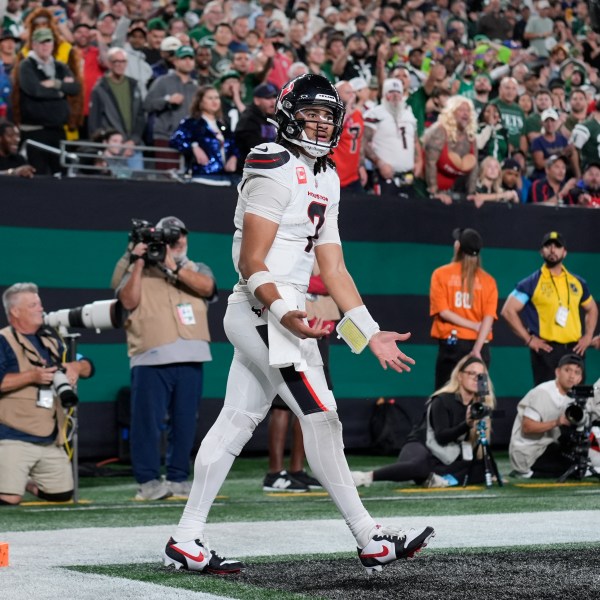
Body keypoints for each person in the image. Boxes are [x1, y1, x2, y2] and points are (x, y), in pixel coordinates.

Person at [164, 73, 434, 576]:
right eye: (309, 114)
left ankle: (186, 538)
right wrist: (285, 313)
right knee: (322, 418)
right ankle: (369, 536)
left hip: (283, 314)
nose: (318, 124)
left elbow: (333, 268)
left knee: (236, 422)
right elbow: (251, 260)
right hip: (263, 309)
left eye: (327, 116)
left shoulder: (328, 176)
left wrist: (367, 330)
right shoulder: (271, 162)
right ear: (288, 115)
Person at [116, 216, 218, 501]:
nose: (176, 243)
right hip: (150, 355)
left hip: (192, 353)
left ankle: (177, 477)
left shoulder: (196, 267)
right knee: (147, 422)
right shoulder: (138, 266)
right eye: (169, 239)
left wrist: (174, 266)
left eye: (180, 237)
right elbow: (127, 300)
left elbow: (207, 287)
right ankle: (148, 481)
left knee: (185, 420)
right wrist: (138, 259)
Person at [0, 283, 94, 505]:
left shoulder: (51, 341)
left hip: (50, 439)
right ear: (15, 311)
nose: (40, 309)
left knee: (60, 496)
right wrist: (32, 376)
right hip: (13, 435)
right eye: (33, 305)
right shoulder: (3, 340)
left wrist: (75, 368)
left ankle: (22, 480)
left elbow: (89, 366)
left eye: (40, 303)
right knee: (8, 499)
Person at [351, 356, 494, 488]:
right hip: (421, 446)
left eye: (480, 376)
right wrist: (467, 424)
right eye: (471, 373)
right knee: (419, 466)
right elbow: (441, 437)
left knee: (481, 468)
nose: (476, 379)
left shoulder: (480, 406)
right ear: (460, 375)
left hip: (446, 455)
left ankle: (433, 478)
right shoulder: (442, 399)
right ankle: (366, 477)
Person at [501, 231, 598, 386]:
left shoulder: (577, 282)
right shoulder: (531, 283)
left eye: (557, 246)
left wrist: (588, 336)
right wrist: (528, 339)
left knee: (576, 403)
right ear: (541, 252)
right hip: (547, 351)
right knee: (547, 402)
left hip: (575, 350)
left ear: (564, 252)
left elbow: (591, 308)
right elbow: (508, 310)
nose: (553, 250)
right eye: (548, 246)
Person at [429, 227, 498, 390]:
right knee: (481, 397)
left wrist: (472, 327)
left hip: (452, 348)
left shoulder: (440, 274)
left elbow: (444, 312)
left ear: (458, 247)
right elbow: (488, 319)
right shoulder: (489, 281)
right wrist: (477, 350)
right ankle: (481, 417)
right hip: (482, 349)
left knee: (444, 394)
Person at [509, 353, 589, 479]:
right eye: (567, 370)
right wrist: (557, 422)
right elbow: (527, 427)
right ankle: (527, 473)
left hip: (546, 446)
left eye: (577, 372)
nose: (572, 376)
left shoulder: (572, 398)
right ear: (557, 372)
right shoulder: (542, 392)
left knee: (579, 461)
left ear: (580, 379)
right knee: (572, 469)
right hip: (529, 453)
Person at [16, 27, 81, 174]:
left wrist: (56, 84)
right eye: (41, 42)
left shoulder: (60, 66)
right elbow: (35, 90)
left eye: (48, 42)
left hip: (58, 129)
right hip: (35, 131)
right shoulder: (26, 66)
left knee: (60, 174)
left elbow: (75, 88)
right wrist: (61, 91)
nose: (45, 46)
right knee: (38, 175)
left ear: (53, 44)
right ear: (34, 45)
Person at [88, 47, 146, 171]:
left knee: (138, 186)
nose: (120, 65)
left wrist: (133, 141)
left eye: (123, 61)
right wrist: (104, 147)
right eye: (116, 62)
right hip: (112, 149)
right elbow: (94, 122)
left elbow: (140, 116)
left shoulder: (134, 85)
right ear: (109, 63)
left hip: (133, 147)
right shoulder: (100, 88)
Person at [169, 85, 238, 185]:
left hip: (225, 179)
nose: (214, 101)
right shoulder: (191, 122)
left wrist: (234, 156)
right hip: (202, 178)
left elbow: (234, 144)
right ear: (200, 101)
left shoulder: (223, 125)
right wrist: (194, 146)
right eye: (210, 98)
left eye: (217, 98)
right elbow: (175, 139)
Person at [364, 78, 422, 196]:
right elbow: (363, 142)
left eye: (398, 93)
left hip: (407, 176)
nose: (395, 96)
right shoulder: (375, 113)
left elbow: (415, 141)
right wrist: (380, 163)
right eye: (391, 92)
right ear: (385, 95)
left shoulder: (409, 114)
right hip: (385, 176)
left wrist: (419, 160)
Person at [144, 45, 198, 169]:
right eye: (184, 58)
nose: (188, 61)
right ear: (175, 61)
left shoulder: (196, 87)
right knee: (166, 178)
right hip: (165, 137)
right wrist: (167, 100)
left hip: (188, 139)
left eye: (191, 58)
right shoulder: (162, 81)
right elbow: (147, 105)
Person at [422, 95, 478, 203]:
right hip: (427, 187)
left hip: (452, 189)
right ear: (451, 112)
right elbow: (430, 163)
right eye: (461, 110)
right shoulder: (440, 131)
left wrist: (472, 193)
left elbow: (474, 168)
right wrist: (434, 192)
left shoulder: (471, 137)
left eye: (468, 110)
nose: (465, 113)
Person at [233, 82, 278, 172]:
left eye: (274, 97)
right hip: (248, 171)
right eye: (268, 98)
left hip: (269, 167)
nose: (273, 101)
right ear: (257, 101)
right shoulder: (248, 119)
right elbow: (255, 149)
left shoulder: (273, 117)